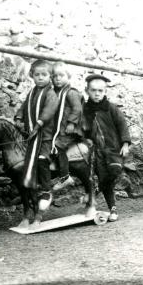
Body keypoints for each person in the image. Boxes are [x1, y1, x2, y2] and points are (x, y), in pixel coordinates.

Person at [82, 74, 131, 222]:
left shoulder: (111, 108)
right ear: (87, 91)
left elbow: (122, 125)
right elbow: (82, 129)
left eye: (100, 91)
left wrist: (125, 143)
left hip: (113, 149)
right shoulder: (85, 109)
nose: (97, 94)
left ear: (105, 92)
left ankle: (95, 192)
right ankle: (113, 208)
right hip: (95, 152)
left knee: (115, 169)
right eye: (93, 90)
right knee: (104, 177)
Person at [14, 60, 59, 212]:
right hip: (32, 135)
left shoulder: (50, 93)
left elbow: (49, 110)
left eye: (44, 75)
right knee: (26, 160)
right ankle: (31, 185)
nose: (40, 78)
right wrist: (19, 118)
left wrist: (39, 123)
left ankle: (46, 190)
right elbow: (24, 106)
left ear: (50, 76)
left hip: (45, 135)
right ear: (32, 76)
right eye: (37, 75)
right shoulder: (32, 92)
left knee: (41, 160)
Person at [50, 62, 84, 191]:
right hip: (59, 130)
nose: (58, 78)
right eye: (55, 76)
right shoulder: (54, 93)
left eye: (61, 75)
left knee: (58, 145)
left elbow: (77, 108)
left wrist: (71, 123)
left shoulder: (71, 93)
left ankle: (65, 177)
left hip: (70, 130)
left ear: (68, 77)